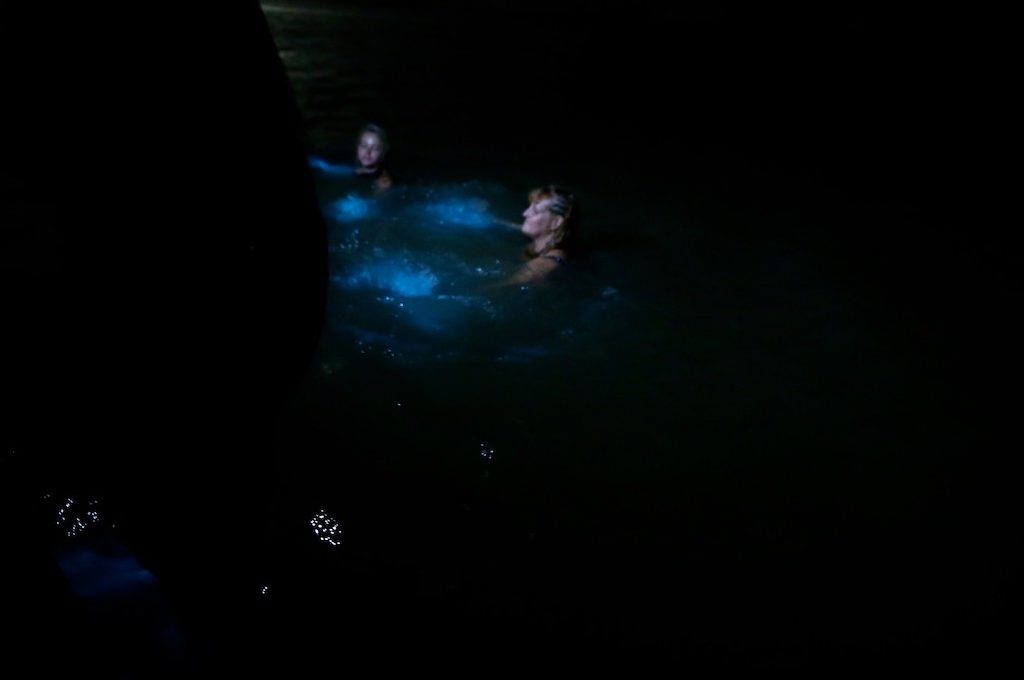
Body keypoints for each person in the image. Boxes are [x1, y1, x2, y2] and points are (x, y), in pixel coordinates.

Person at [503, 185, 578, 284]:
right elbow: (513, 226)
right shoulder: (543, 243)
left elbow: (499, 289)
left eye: (535, 211)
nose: (525, 213)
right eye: (529, 207)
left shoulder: (546, 264)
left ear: (555, 222)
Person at [354, 123, 393, 192]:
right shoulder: (355, 169)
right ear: (357, 147)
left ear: (382, 153)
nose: (367, 152)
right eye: (364, 145)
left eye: (375, 148)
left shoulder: (383, 183)